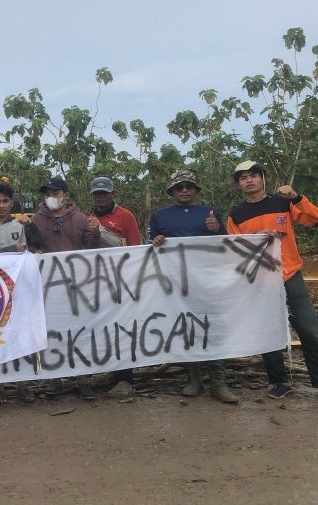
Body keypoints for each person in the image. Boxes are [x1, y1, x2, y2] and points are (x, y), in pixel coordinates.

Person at [226, 160, 318, 399]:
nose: (249, 180)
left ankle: (316, 381)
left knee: (310, 330)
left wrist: (296, 197)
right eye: (243, 177)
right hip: (260, 279)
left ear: (262, 178)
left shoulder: (282, 202)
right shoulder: (236, 215)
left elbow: (313, 218)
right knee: (269, 330)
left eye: (253, 175)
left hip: (290, 274)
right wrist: (257, 236)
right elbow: (235, 250)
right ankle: (278, 381)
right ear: (238, 184)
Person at [148, 171, 238, 403]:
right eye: (179, 187)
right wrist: (155, 241)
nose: (185, 190)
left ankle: (219, 383)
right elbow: (149, 247)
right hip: (176, 284)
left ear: (196, 190)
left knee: (213, 327)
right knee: (185, 327)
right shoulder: (160, 215)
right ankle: (193, 379)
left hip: (209, 282)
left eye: (189, 186)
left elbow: (224, 243)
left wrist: (216, 228)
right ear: (172, 192)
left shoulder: (208, 212)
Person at [26, 176, 100, 400]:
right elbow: (31, 245)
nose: (51, 197)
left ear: (66, 196)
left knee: (79, 330)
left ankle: (82, 379)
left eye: (55, 193)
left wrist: (95, 232)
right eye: (47, 194)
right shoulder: (35, 220)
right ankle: (54, 378)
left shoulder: (80, 219)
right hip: (47, 286)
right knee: (50, 330)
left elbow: (91, 250)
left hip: (77, 286)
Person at [0, 183, 35, 405]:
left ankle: (23, 382)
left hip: (19, 287)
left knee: (20, 332)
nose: (1, 205)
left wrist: (31, 228)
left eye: (5, 201)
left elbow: (36, 247)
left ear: (12, 203)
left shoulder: (22, 225)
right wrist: (11, 250)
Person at [89, 176, 142, 397]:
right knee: (104, 326)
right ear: (92, 195)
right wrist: (93, 233)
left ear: (112, 194)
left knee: (122, 327)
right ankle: (110, 370)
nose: (101, 197)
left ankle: (125, 379)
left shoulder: (125, 216)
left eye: (105, 193)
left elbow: (136, 247)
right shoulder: (88, 218)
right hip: (98, 279)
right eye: (97, 193)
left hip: (122, 278)